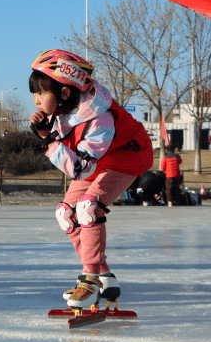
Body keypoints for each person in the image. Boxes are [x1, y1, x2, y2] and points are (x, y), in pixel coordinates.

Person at [28, 49, 152, 312]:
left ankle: (90, 279)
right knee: (65, 213)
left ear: (64, 93)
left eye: (41, 93)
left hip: (127, 157)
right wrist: (48, 134)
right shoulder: (62, 112)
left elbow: (78, 169)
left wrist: (48, 141)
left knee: (88, 207)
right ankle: (104, 276)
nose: (36, 100)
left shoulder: (100, 118)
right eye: (34, 94)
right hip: (97, 161)